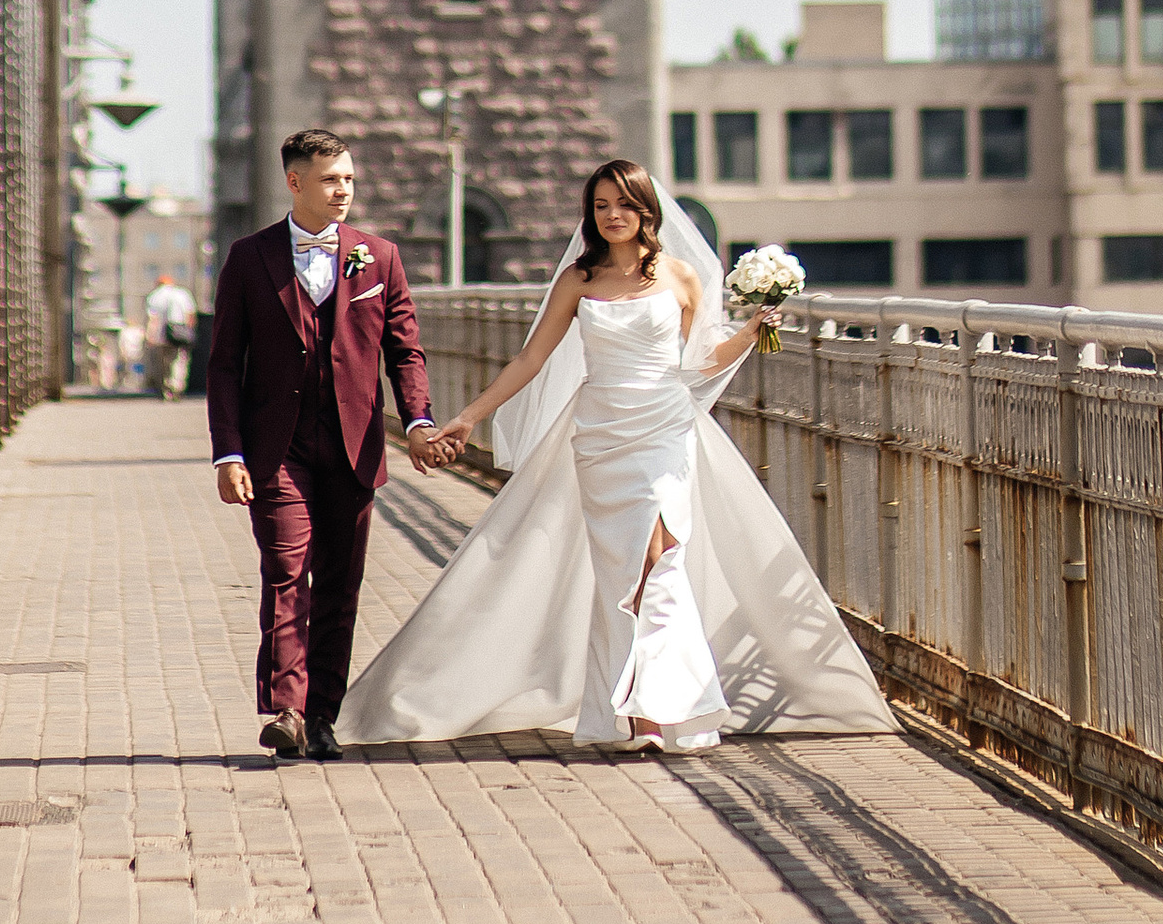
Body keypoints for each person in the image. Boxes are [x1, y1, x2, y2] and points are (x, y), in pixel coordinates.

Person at [339, 160, 893, 753]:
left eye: (623, 205)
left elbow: (701, 360)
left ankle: (657, 713)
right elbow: (532, 360)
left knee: (660, 560)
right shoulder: (579, 280)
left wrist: (754, 329)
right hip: (601, 435)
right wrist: (467, 416)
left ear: (646, 210)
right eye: (601, 206)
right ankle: (635, 713)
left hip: (664, 430)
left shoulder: (680, 277)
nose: (611, 216)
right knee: (623, 574)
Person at [206, 126, 439, 762]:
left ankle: (323, 717)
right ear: (295, 182)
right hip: (275, 449)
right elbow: (225, 363)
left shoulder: (379, 257)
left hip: (354, 446)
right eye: (332, 179)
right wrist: (228, 453)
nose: (344, 191)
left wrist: (417, 420)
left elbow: (405, 350)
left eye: (350, 180)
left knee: (340, 585)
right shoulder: (249, 259)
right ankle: (286, 707)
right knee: (285, 571)